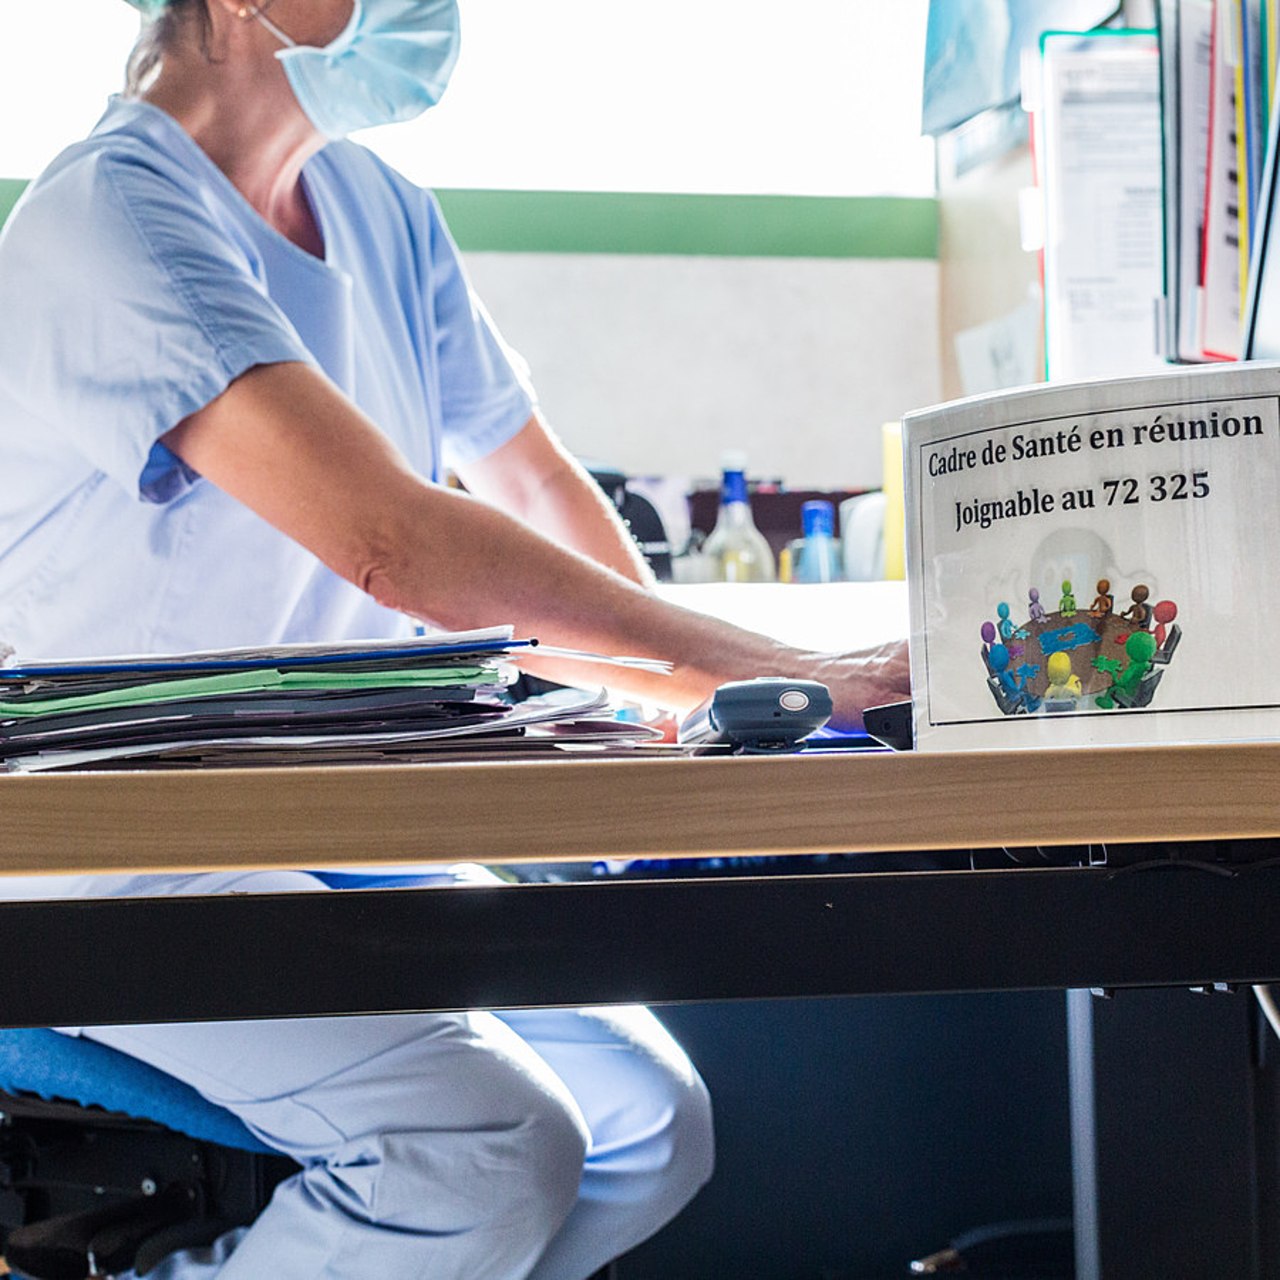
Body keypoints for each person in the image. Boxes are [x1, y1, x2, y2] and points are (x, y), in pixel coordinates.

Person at [0, 2, 911, 1276]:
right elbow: (395, 541)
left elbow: (530, 488)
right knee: (484, 1148)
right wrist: (773, 667)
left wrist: (687, 709)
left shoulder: (377, 208)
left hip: (324, 816)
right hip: (113, 844)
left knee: (648, 1123)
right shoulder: (107, 221)